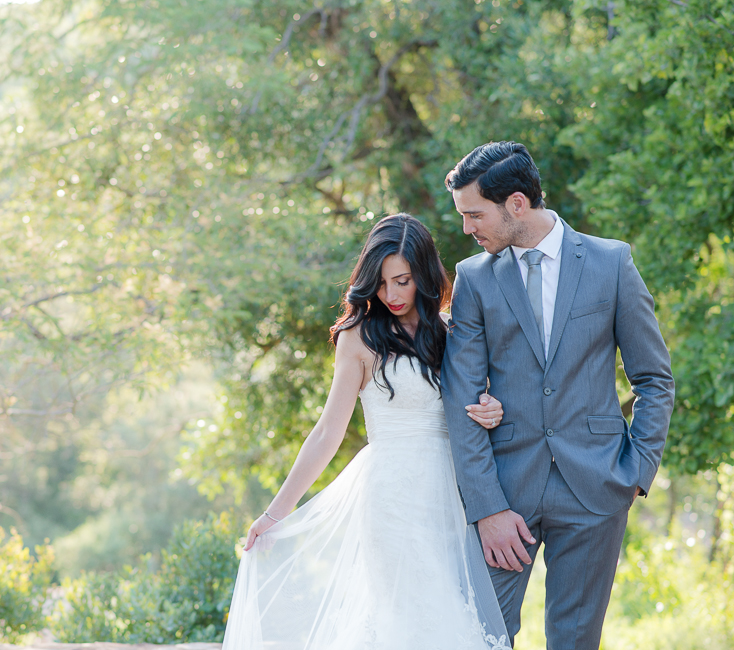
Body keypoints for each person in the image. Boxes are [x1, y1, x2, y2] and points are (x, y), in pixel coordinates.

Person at [222, 214, 512, 650]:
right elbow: (327, 433)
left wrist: (492, 408)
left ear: (426, 274)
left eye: (402, 281)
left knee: (451, 615)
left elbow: (477, 402)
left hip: (451, 495)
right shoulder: (358, 337)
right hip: (392, 497)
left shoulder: (453, 330)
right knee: (409, 617)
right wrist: (275, 512)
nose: (391, 295)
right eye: (380, 284)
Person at [441, 141, 675, 650]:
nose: (467, 228)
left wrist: (636, 473)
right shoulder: (474, 280)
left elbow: (654, 379)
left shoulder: (611, 263)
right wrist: (486, 508)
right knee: (477, 636)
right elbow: (459, 398)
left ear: (517, 204)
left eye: (475, 214)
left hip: (596, 488)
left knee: (574, 642)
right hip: (504, 493)